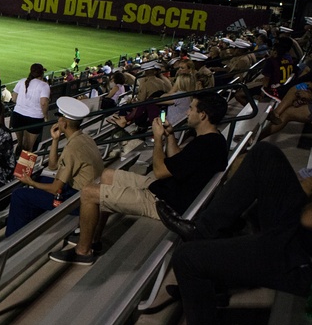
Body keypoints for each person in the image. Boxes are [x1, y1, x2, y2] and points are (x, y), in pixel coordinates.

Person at [150, 141, 312, 325]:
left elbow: (309, 219)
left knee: (186, 258)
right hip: (300, 236)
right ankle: (202, 232)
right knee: (264, 153)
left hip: (303, 260)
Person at [52, 92, 228, 265]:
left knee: (88, 193)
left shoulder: (205, 145)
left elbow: (159, 170)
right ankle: (95, 239)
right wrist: (170, 136)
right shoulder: (213, 140)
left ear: (203, 115)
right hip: (166, 189)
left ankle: (83, 252)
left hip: (164, 203)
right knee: (107, 174)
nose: (187, 112)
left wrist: (158, 139)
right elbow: (177, 161)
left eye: (191, 109)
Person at [5, 97, 104, 236]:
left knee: (19, 195)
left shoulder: (73, 148)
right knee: (40, 180)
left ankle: (11, 239)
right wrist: (55, 140)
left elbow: (55, 189)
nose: (57, 120)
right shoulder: (84, 138)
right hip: (84, 192)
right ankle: (28, 223)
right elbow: (53, 166)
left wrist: (30, 182)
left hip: (79, 199)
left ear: (64, 123)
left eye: (59, 117)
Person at [11, 63, 51, 153]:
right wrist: (46, 117)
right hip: (34, 118)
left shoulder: (22, 81)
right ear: (42, 73)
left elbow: (13, 98)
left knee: (20, 144)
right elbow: (44, 103)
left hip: (17, 115)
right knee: (28, 148)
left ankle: (15, 164)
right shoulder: (44, 85)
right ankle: (23, 167)